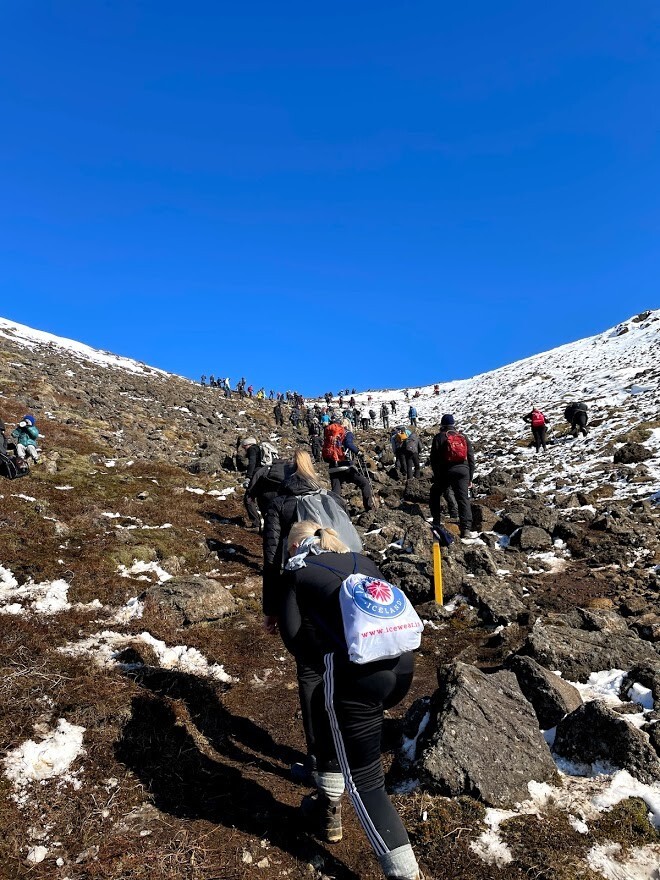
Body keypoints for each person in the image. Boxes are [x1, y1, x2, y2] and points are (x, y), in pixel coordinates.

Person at [264, 521, 421, 880]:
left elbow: (294, 638)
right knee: (330, 714)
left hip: (357, 676)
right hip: (403, 666)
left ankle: (405, 874)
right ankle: (326, 807)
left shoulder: (298, 570)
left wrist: (325, 656)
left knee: (366, 781)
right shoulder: (362, 561)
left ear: (294, 548)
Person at [262, 451, 348, 774]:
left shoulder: (278, 505)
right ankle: (344, 749)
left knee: (310, 674)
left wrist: (271, 610)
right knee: (340, 668)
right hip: (341, 593)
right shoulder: (330, 499)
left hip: (300, 598)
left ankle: (318, 758)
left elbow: (272, 562)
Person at [429, 414, 475, 538]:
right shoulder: (462, 437)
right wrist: (470, 477)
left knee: (435, 493)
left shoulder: (439, 437)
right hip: (463, 471)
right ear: (453, 424)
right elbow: (471, 458)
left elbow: (434, 459)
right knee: (463, 498)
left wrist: (437, 476)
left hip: (446, 471)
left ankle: (437, 521)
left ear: (442, 424)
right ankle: (466, 529)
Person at [322, 419, 374, 511]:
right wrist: (358, 452)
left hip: (333, 466)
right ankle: (369, 508)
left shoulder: (330, 434)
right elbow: (348, 444)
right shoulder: (347, 433)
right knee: (364, 483)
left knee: (336, 492)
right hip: (345, 466)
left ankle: (333, 511)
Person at [245, 458, 295, 532]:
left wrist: (250, 494)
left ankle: (258, 526)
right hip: (285, 497)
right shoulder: (290, 470)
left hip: (266, 496)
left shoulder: (267, 468)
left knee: (269, 516)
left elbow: (253, 484)